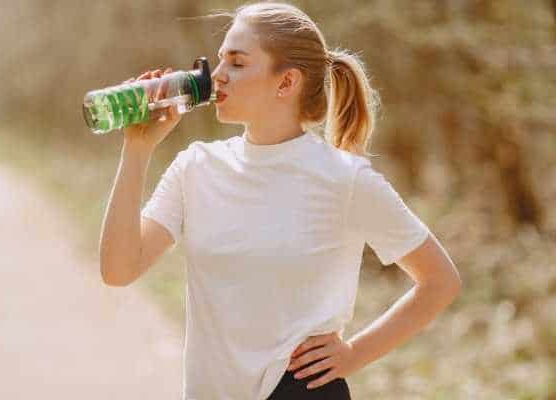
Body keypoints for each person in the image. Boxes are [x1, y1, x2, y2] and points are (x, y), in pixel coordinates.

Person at [99, 2, 462, 399]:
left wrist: (354, 353)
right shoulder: (196, 168)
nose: (217, 75)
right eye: (220, 59)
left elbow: (439, 281)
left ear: (286, 83)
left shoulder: (344, 180)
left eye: (237, 63)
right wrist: (137, 150)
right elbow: (119, 269)